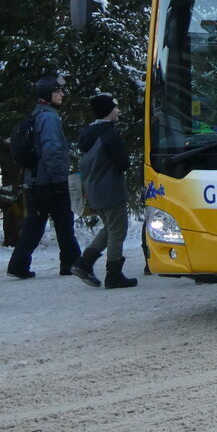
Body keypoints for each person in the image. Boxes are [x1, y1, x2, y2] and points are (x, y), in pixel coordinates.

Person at [7, 74, 82, 279]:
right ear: (48, 93)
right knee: (64, 223)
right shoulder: (49, 117)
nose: (62, 94)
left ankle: (17, 265)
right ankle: (72, 263)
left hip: (35, 181)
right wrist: (59, 179)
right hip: (50, 181)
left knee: (34, 225)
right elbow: (52, 150)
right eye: (58, 91)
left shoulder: (37, 114)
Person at [70, 94, 136, 289]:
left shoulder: (87, 133)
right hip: (111, 189)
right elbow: (123, 163)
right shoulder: (109, 134)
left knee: (109, 228)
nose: (118, 111)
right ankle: (114, 274)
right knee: (118, 230)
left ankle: (84, 264)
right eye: (115, 108)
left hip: (94, 189)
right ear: (108, 111)